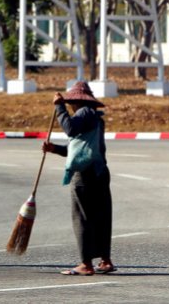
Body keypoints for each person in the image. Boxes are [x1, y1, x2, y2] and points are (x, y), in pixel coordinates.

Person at [42, 81, 115, 276]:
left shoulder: (83, 113)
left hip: (85, 175)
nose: (71, 106)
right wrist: (55, 149)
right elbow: (79, 150)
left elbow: (70, 129)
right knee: (100, 216)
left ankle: (86, 264)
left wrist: (59, 106)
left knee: (82, 217)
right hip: (99, 171)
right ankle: (105, 260)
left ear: (75, 101)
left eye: (70, 103)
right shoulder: (95, 118)